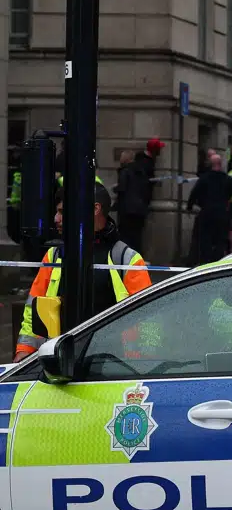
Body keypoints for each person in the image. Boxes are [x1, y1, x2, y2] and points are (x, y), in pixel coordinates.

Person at [14, 184, 152, 360]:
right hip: (59, 360)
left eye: (62, 212)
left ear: (95, 209)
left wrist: (145, 365)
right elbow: (33, 310)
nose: (56, 218)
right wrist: (24, 350)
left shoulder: (127, 259)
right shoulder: (53, 256)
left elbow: (149, 321)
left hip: (114, 364)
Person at [188, 148, 232, 264]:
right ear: (220, 164)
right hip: (222, 214)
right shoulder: (227, 179)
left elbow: (194, 193)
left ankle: (205, 263)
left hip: (207, 213)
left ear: (210, 165)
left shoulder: (204, 178)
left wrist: (190, 206)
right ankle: (217, 262)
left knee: (205, 241)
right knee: (220, 241)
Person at [114, 139, 160, 250]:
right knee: (136, 238)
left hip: (127, 210)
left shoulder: (125, 171)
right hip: (140, 210)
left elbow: (122, 189)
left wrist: (115, 195)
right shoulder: (141, 171)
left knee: (125, 238)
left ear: (125, 159)